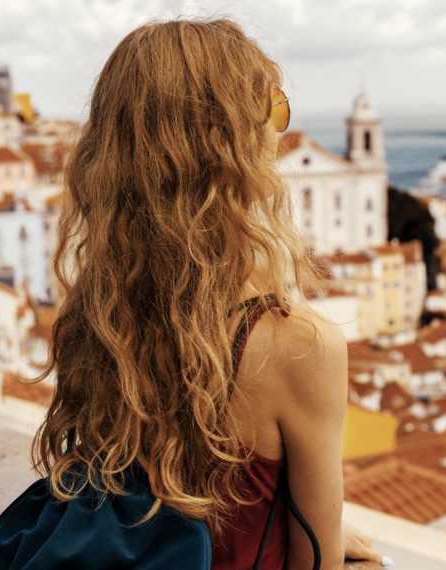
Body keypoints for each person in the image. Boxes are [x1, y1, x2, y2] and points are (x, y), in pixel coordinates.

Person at [31, 16, 389, 569]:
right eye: (274, 111)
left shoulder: (96, 315)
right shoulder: (296, 345)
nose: (280, 132)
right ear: (235, 149)